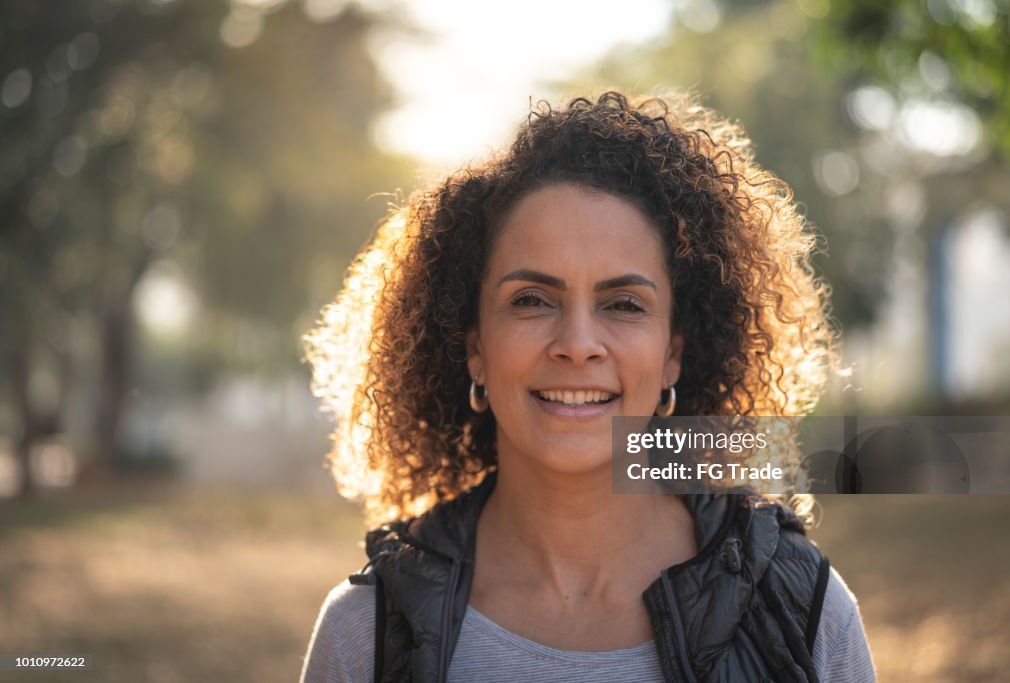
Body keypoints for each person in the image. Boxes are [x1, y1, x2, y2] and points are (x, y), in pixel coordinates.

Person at [300, 92, 875, 682]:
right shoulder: (365, 635)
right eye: (531, 300)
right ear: (475, 347)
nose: (578, 343)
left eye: (623, 304)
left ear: (673, 355)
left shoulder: (802, 612)